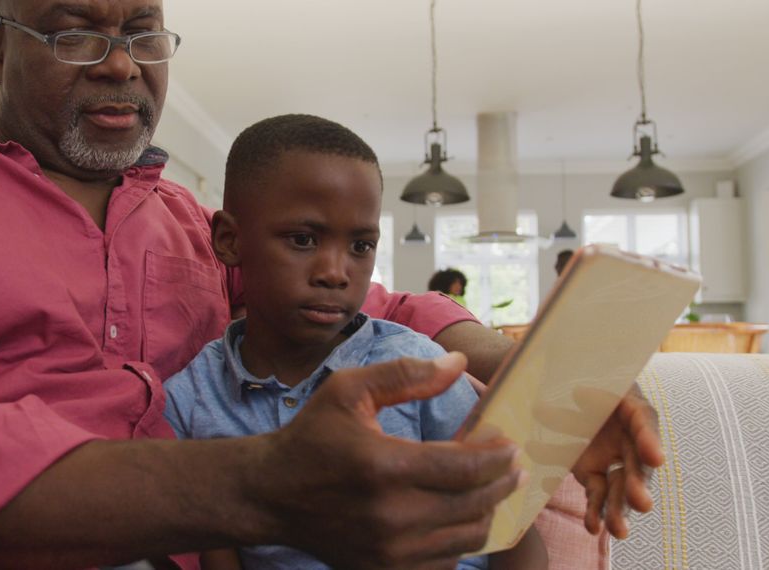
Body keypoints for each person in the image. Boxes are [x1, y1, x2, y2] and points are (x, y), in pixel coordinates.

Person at [0, 0, 663, 567]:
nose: (120, 64)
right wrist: (255, 485)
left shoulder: (190, 219)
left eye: (143, 30)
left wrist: (505, 360)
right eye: (75, 32)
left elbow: (366, 305)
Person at [164, 114, 548, 569]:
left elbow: (512, 531)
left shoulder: (419, 367)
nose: (335, 272)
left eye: (361, 247)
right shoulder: (193, 399)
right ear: (229, 240)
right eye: (303, 239)